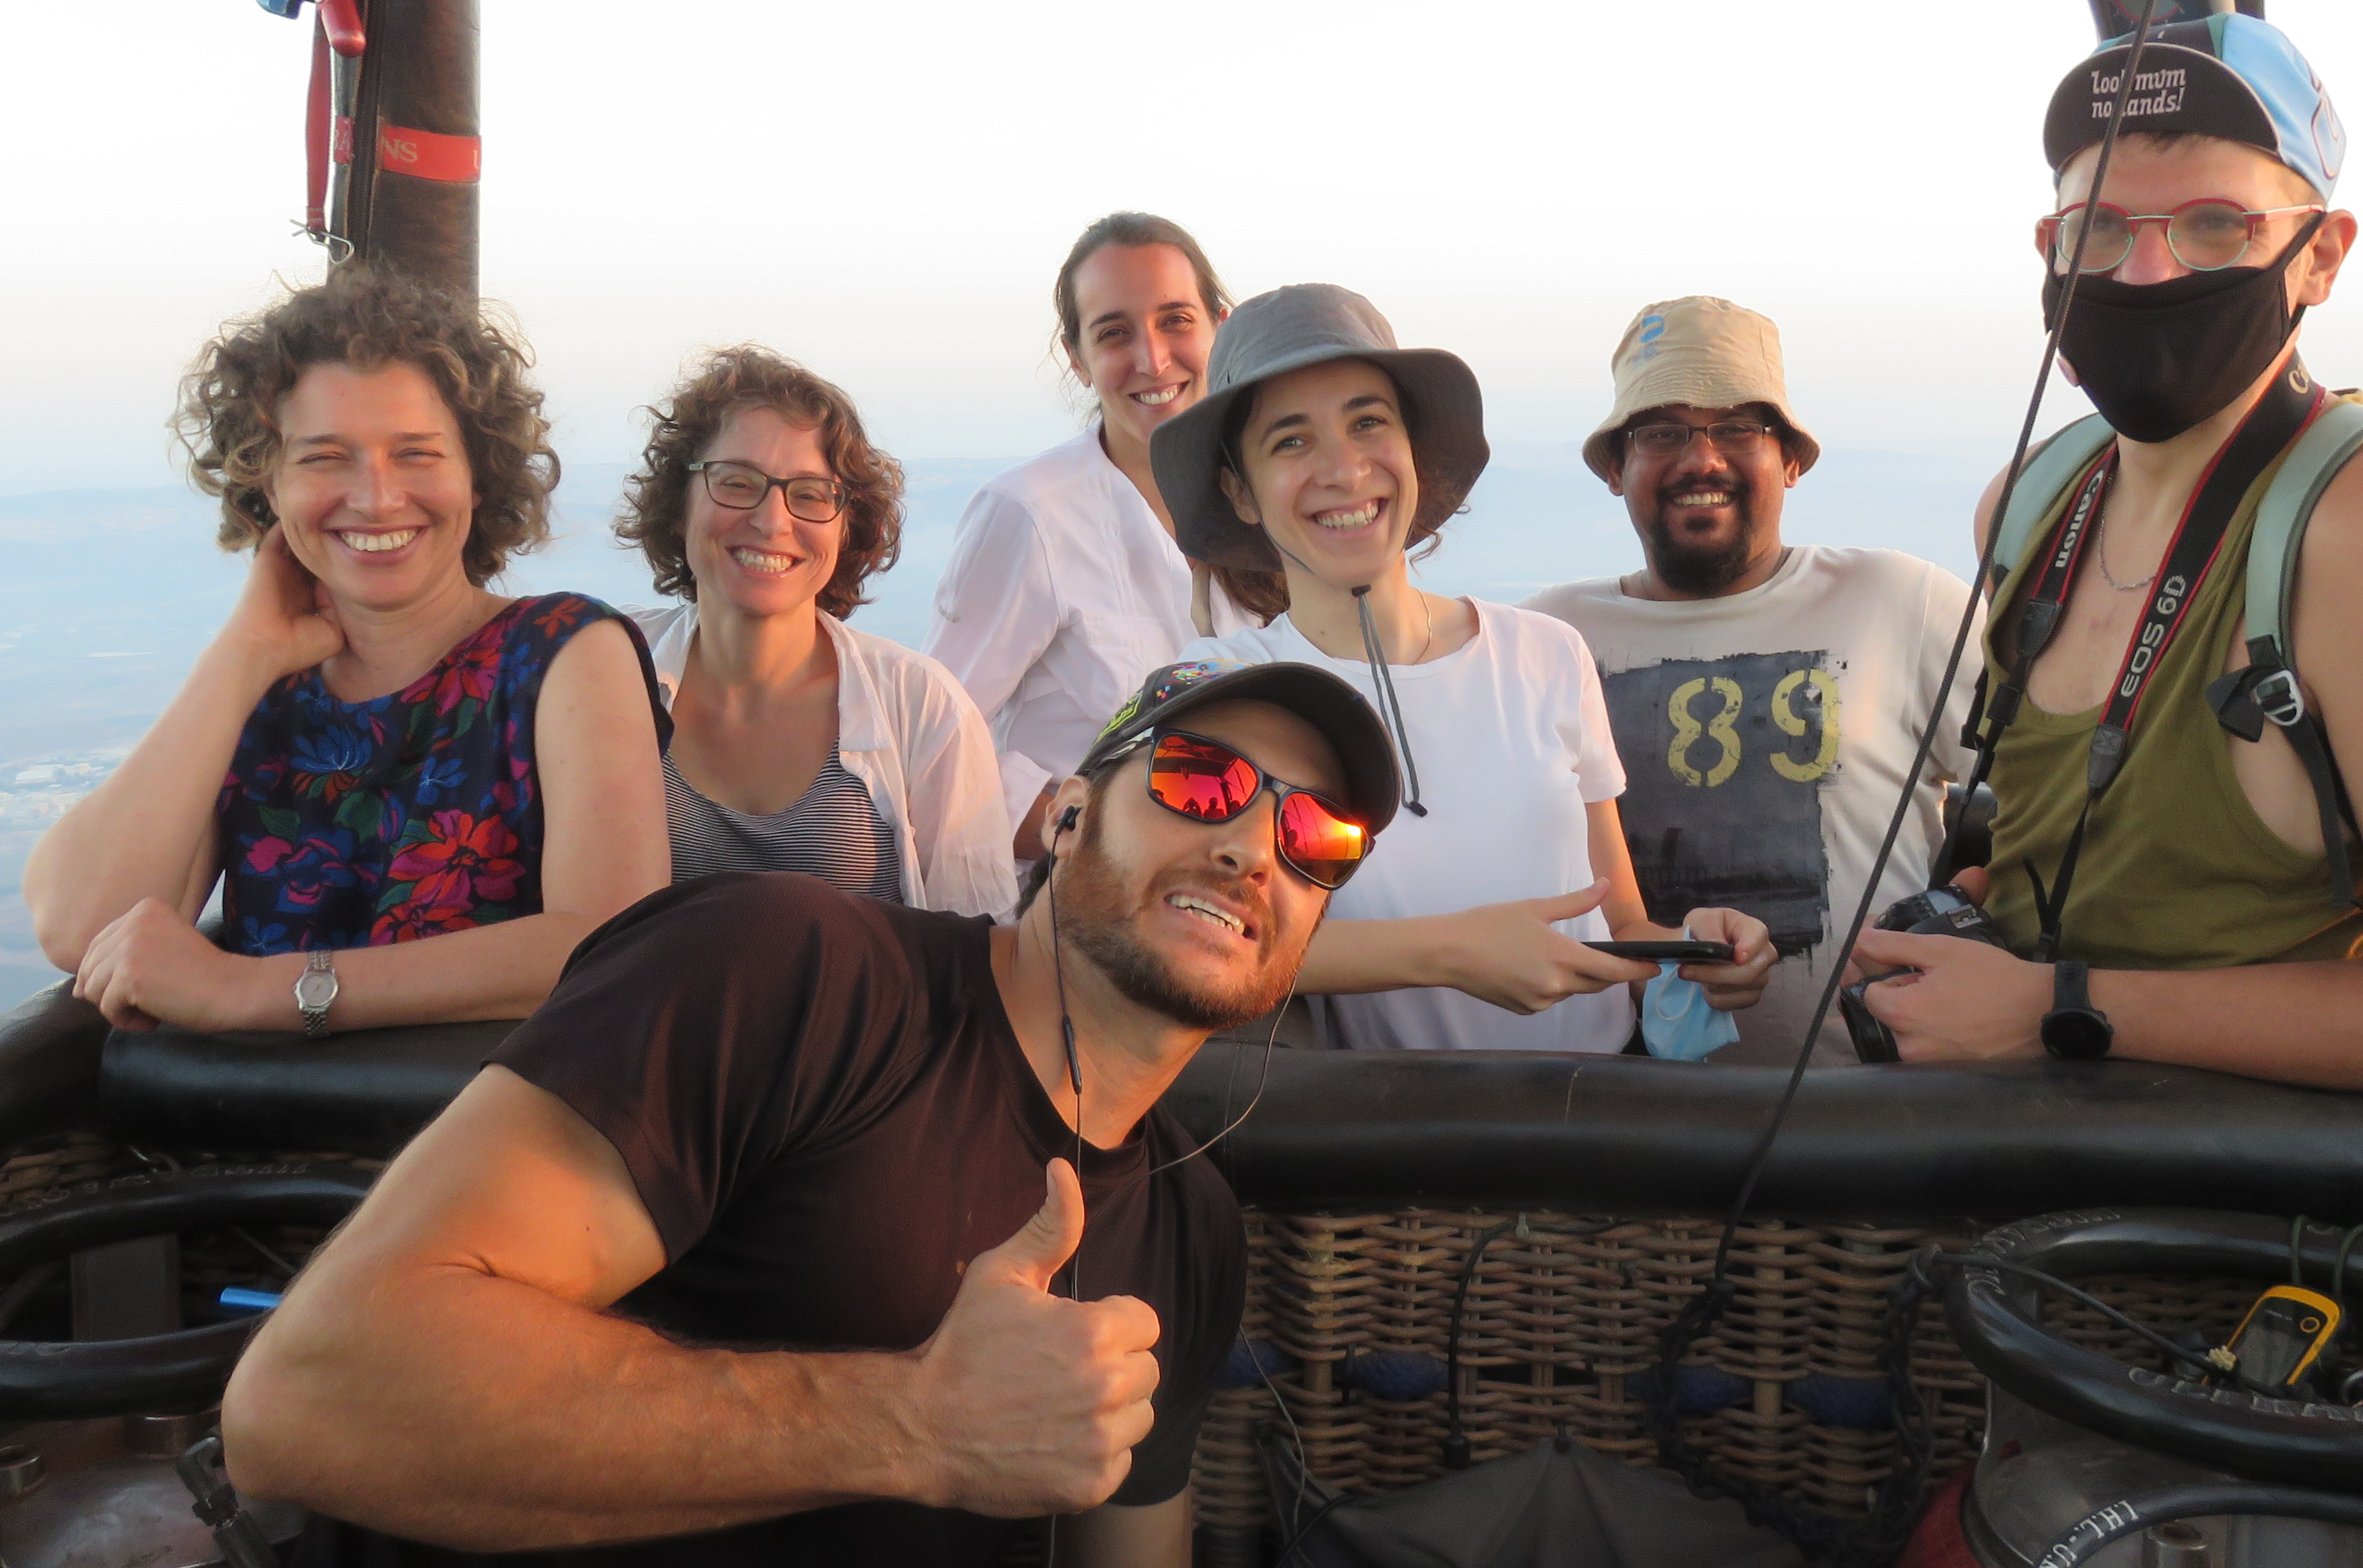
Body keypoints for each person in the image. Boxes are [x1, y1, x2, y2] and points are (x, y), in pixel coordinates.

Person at [192, 656, 1403, 1568]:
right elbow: (310, 1398)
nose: (1254, 847)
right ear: (1067, 815)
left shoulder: (1184, 1237)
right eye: (1203, 781)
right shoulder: (793, 973)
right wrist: (916, 1423)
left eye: (1320, 838)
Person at [1851, 15, 2363, 1097]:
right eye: (2100, 227)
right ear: (2049, 249)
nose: (2146, 273)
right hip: (2019, 1170)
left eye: (2213, 225)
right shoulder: (2030, 502)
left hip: (2257, 1192)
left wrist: (2055, 1010)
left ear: (2319, 256)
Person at [23, 266, 670, 1035]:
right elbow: (81, 927)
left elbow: (608, 948)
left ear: (477, 476)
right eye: (324, 457)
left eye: (416, 454)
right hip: (255, 1117)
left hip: (487, 1112)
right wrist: (243, 653)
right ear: (268, 488)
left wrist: (251, 990)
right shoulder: (261, 695)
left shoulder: (566, 652)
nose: (376, 497)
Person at [1151, 283, 1777, 1055]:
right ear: (1240, 492)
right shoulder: (1229, 688)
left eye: (1368, 423)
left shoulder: (1547, 652)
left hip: (1606, 1109)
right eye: (1291, 441)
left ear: (1412, 449)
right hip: (1404, 1125)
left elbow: (1619, 924)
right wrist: (1451, 952)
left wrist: (1695, 951)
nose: (1344, 469)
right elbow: (1191, 941)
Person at [1524, 299, 1975, 1066]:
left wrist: (1967, 923)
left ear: (1790, 460)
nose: (1702, 461)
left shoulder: (1904, 600)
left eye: (1738, 428)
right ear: (1615, 469)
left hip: (1876, 1105)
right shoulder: (1545, 637)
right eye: (1662, 433)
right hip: (1612, 1107)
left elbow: (2052, 805)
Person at [616, 344, 1015, 915]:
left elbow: (978, 947)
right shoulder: (608, 672)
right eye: (736, 483)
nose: (771, 521)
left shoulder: (924, 707)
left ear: (845, 528)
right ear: (679, 506)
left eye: (809, 495)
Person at [929, 212, 1255, 863]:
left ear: (1220, 329)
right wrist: (1103, 839)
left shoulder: (1265, 500)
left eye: (1175, 321)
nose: (1152, 359)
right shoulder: (1030, 515)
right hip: (1075, 901)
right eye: (1114, 333)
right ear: (1077, 359)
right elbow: (931, 745)